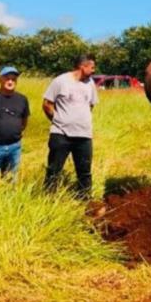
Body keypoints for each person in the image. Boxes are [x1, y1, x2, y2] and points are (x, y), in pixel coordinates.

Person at [43, 55, 99, 198]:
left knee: (84, 171)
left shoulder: (90, 83)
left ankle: (85, 201)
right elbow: (47, 104)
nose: (94, 70)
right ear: (83, 66)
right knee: (54, 170)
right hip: (61, 134)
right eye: (92, 67)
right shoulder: (61, 81)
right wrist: (59, 120)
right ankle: (48, 199)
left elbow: (91, 104)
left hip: (84, 135)